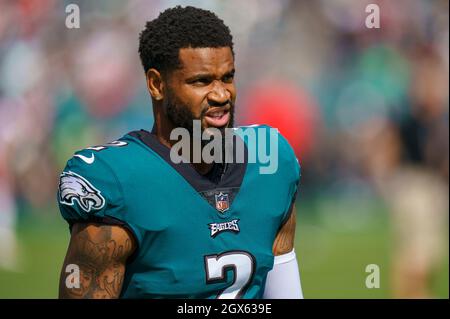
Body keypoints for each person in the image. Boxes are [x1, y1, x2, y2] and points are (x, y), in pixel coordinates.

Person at [57, 6, 303, 299]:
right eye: (201, 81)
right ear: (157, 84)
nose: (221, 95)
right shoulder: (119, 181)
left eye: (227, 78)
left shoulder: (270, 163)